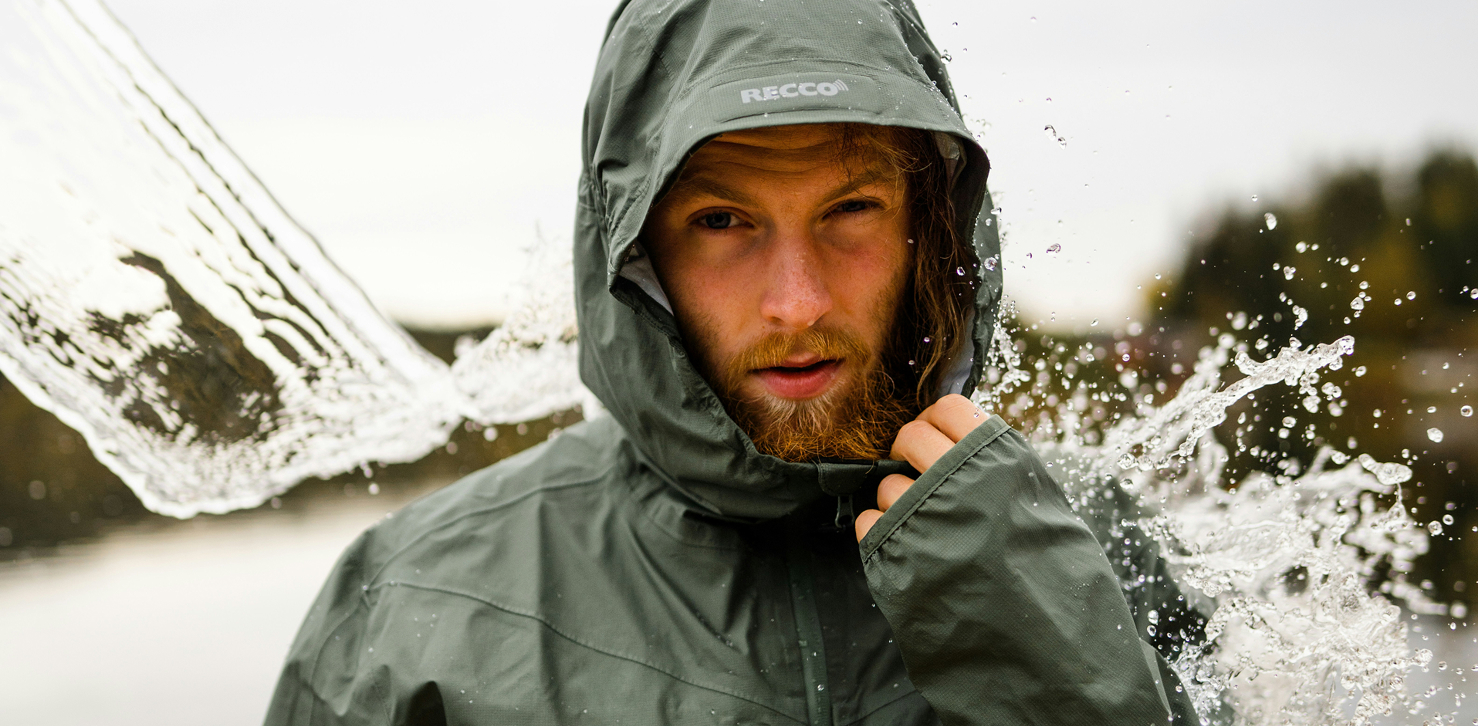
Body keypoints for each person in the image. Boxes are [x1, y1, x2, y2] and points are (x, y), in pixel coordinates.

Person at [266, 0, 1205, 723]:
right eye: (722, 221)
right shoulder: (415, 607)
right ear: (636, 252)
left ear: (932, 230)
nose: (797, 301)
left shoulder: (1082, 543)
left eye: (851, 210)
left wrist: (1065, 685)